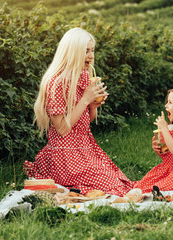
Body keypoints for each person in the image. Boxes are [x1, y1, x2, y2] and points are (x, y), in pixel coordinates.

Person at [23, 28, 133, 196]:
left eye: (92, 51)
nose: (91, 56)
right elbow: (62, 129)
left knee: (119, 181)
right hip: (65, 155)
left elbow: (85, 121)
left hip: (85, 148)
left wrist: (94, 105)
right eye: (85, 51)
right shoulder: (57, 83)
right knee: (110, 186)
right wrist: (85, 100)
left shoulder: (82, 77)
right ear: (72, 53)